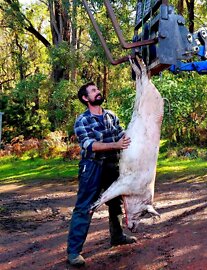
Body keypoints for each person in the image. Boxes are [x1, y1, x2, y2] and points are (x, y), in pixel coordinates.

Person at [67, 82, 137, 266]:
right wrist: (115, 145)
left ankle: (117, 236)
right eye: (93, 91)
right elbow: (89, 145)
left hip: (112, 165)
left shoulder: (111, 115)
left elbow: (122, 135)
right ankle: (74, 252)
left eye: (97, 89)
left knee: (115, 203)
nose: (97, 92)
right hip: (92, 167)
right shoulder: (82, 120)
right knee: (85, 207)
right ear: (85, 98)